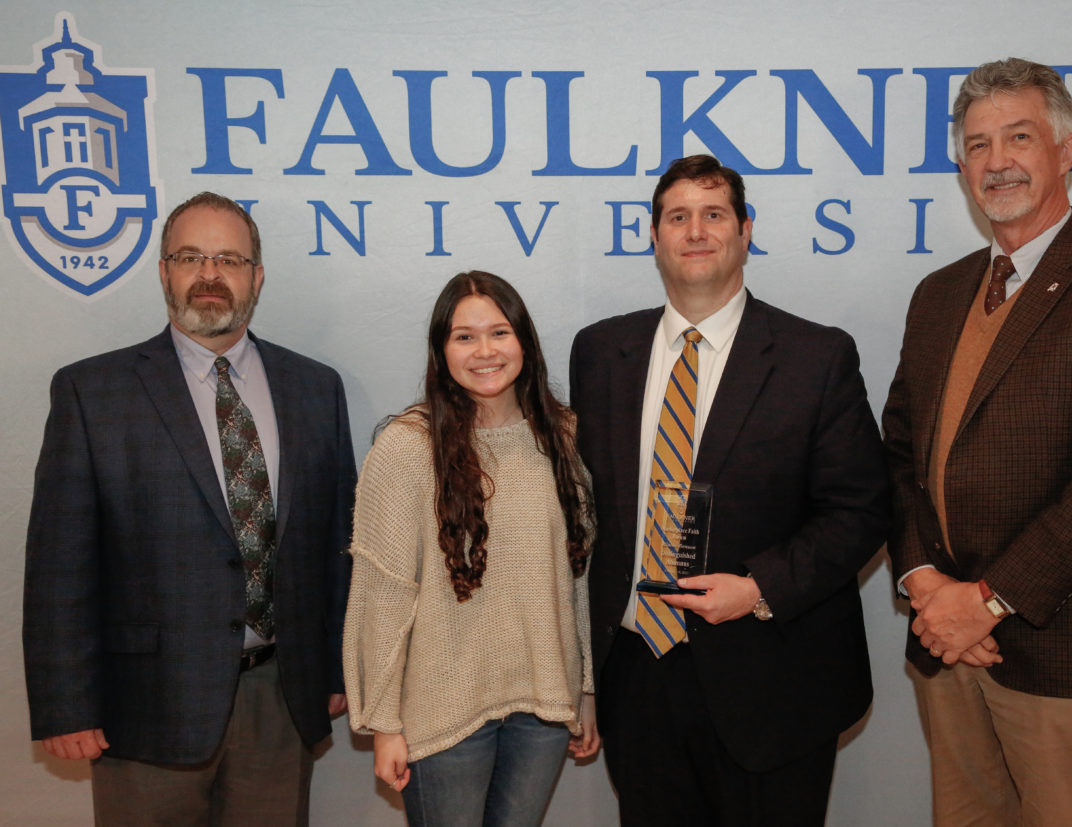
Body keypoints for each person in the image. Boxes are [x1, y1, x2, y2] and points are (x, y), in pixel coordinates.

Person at [882, 58, 1072, 825]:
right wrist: (926, 584)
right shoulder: (940, 293)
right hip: (947, 648)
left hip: (1064, 650)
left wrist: (986, 602)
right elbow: (896, 454)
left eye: (1018, 137)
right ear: (961, 167)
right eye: (978, 145)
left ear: (1068, 148)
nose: (997, 162)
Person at [570, 154, 890, 825]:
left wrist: (758, 587)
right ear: (653, 235)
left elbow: (861, 510)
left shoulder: (815, 356)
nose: (695, 230)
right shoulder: (600, 352)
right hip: (638, 670)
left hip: (772, 675)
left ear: (745, 230)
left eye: (714, 214)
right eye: (677, 216)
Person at [23, 192, 357, 824]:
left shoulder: (315, 388)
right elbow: (59, 564)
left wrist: (340, 666)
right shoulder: (93, 390)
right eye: (191, 256)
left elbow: (337, 545)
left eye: (229, 259)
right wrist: (68, 704)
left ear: (256, 277)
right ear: (163, 271)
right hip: (144, 705)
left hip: (280, 696)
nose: (210, 274)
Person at [343, 270, 599, 826]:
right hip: (441, 711)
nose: (484, 351)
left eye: (499, 332)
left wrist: (585, 690)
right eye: (464, 336)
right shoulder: (407, 448)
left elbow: (576, 576)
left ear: (524, 342)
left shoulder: (564, 437)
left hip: (544, 709)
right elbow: (381, 594)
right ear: (441, 350)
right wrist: (385, 723)